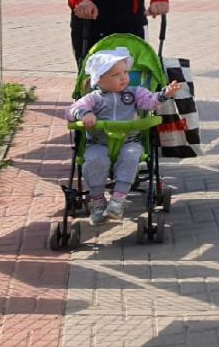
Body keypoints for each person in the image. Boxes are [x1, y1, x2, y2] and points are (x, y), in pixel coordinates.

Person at [66, 47, 181, 224]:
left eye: (125, 72)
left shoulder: (135, 93)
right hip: (99, 143)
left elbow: (150, 102)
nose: (124, 78)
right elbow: (72, 110)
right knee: (94, 161)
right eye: (116, 75)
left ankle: (118, 201)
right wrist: (85, 115)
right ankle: (97, 202)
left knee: (131, 156)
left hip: (129, 141)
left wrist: (165, 94)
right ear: (100, 79)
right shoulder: (93, 98)